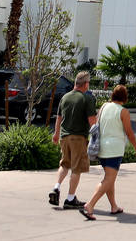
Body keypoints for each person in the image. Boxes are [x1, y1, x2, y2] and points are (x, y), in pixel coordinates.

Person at [80, 85, 136, 220]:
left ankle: (114, 206)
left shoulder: (104, 107)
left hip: (102, 148)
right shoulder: (123, 111)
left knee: (110, 178)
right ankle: (90, 205)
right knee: (108, 179)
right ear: (125, 97)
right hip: (114, 149)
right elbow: (129, 132)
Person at [49, 71, 97, 209]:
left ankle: (56, 187)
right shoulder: (86, 99)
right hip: (78, 137)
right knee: (77, 168)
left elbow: (59, 118)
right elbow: (92, 120)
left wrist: (56, 134)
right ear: (86, 84)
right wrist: (96, 136)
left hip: (64, 137)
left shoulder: (65, 97)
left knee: (64, 164)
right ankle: (70, 198)